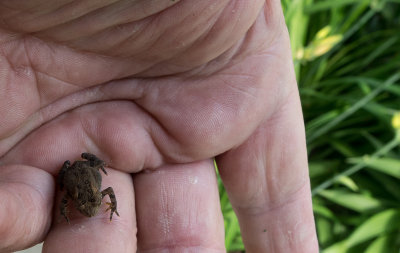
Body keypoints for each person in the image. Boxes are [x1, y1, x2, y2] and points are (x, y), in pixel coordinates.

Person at [0, 0, 318, 252]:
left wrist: (110, 208)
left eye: (91, 204)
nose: (90, 207)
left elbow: (107, 190)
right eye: (90, 205)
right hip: (74, 170)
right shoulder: (75, 196)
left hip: (82, 169)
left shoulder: (98, 194)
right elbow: (76, 194)